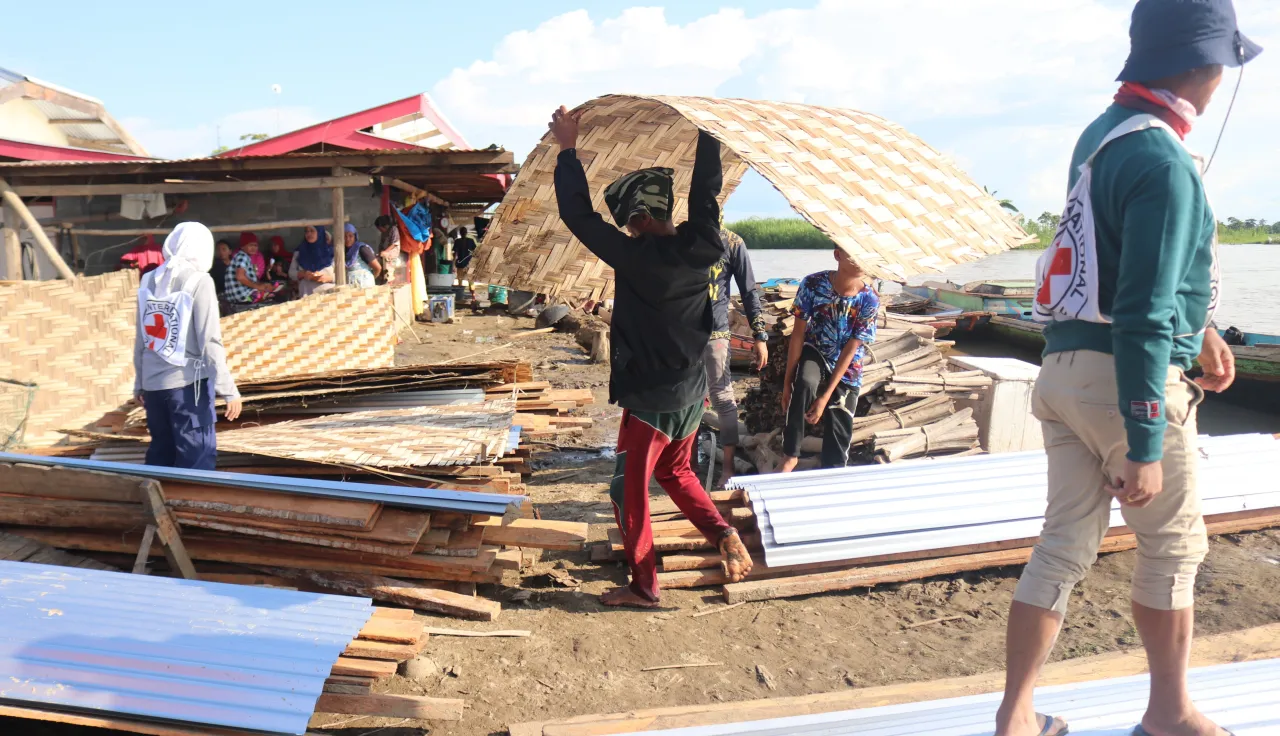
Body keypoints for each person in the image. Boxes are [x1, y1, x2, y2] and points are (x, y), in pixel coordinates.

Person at [995, 2, 1259, 735]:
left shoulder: (1103, 136)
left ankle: (1015, 718)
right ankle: (1169, 713)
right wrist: (1145, 444)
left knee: (1061, 546)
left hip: (1062, 372)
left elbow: (1111, 262)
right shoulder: (1166, 163)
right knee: (1173, 550)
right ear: (1207, 67)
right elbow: (1141, 313)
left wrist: (1199, 326)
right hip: (1126, 385)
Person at [549, 104, 753, 609]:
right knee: (676, 473)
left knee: (628, 490)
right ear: (663, 211)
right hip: (691, 388)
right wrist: (708, 136)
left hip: (653, 398)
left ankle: (644, 587)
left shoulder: (633, 255)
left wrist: (567, 149)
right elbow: (706, 193)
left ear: (636, 219)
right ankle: (721, 531)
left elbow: (577, 215)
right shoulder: (706, 244)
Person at [133, 222, 242, 470]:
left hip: (153, 389)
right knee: (197, 459)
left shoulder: (149, 280)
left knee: (161, 456)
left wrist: (140, 381)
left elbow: (142, 338)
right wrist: (228, 390)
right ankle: (193, 509)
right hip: (187, 388)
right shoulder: (200, 281)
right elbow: (209, 341)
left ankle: (160, 505)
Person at [778, 248, 878, 471]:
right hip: (817, 348)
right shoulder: (813, 284)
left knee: (840, 414)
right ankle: (790, 455)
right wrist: (787, 382)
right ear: (838, 255)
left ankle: (833, 472)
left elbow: (852, 348)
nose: (859, 260)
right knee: (804, 383)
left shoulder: (869, 299)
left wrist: (825, 397)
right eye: (853, 254)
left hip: (848, 362)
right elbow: (798, 334)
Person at [705, 227, 768, 486]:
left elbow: (749, 291)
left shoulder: (732, 242)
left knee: (721, 395)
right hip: (682, 333)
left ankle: (728, 468)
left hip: (715, 332)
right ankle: (681, 460)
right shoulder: (681, 236)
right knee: (686, 395)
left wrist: (760, 335)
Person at [224, 233, 279, 310]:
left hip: (238, 296)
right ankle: (256, 296)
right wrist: (258, 286)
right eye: (250, 245)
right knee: (274, 291)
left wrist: (262, 285)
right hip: (242, 296)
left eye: (255, 245)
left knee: (270, 286)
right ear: (243, 246)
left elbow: (248, 279)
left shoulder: (242, 256)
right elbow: (240, 277)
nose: (253, 248)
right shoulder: (242, 257)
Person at [290, 225, 336, 297]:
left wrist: (329, 278)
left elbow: (342, 275)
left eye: (312, 231)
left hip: (328, 297)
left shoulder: (332, 253)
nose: (309, 234)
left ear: (319, 233)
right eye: (306, 231)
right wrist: (303, 274)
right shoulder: (300, 252)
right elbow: (291, 273)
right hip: (306, 296)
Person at [343, 223, 382, 288]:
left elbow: (378, 268)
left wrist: (370, 279)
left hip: (365, 286)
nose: (347, 239)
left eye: (350, 236)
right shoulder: (343, 251)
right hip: (352, 288)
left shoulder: (362, 249)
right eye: (345, 236)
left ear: (355, 236)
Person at [374, 214, 402, 285]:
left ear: (385, 226)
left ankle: (389, 284)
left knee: (388, 272)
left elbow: (394, 243)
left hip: (391, 255)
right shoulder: (384, 233)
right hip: (384, 255)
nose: (380, 230)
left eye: (380, 228)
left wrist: (385, 252)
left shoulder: (393, 229)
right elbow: (382, 244)